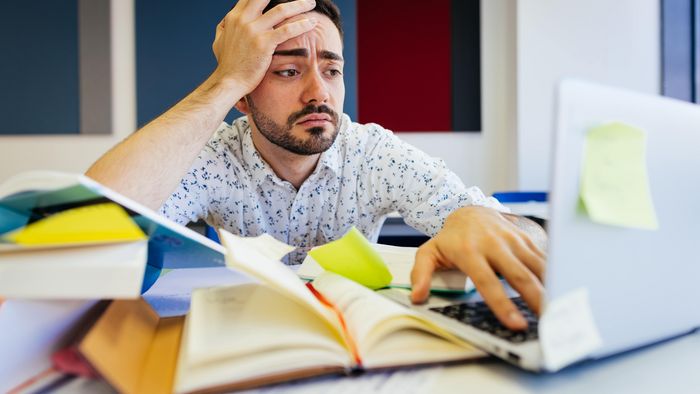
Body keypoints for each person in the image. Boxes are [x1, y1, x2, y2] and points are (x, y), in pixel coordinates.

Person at [86, 0, 547, 330]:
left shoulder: (373, 154)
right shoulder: (214, 159)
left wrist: (477, 219)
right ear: (243, 95)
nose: (319, 93)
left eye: (332, 70)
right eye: (287, 71)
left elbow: (529, 232)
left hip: (363, 346)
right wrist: (224, 80)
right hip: (250, 339)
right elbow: (92, 223)